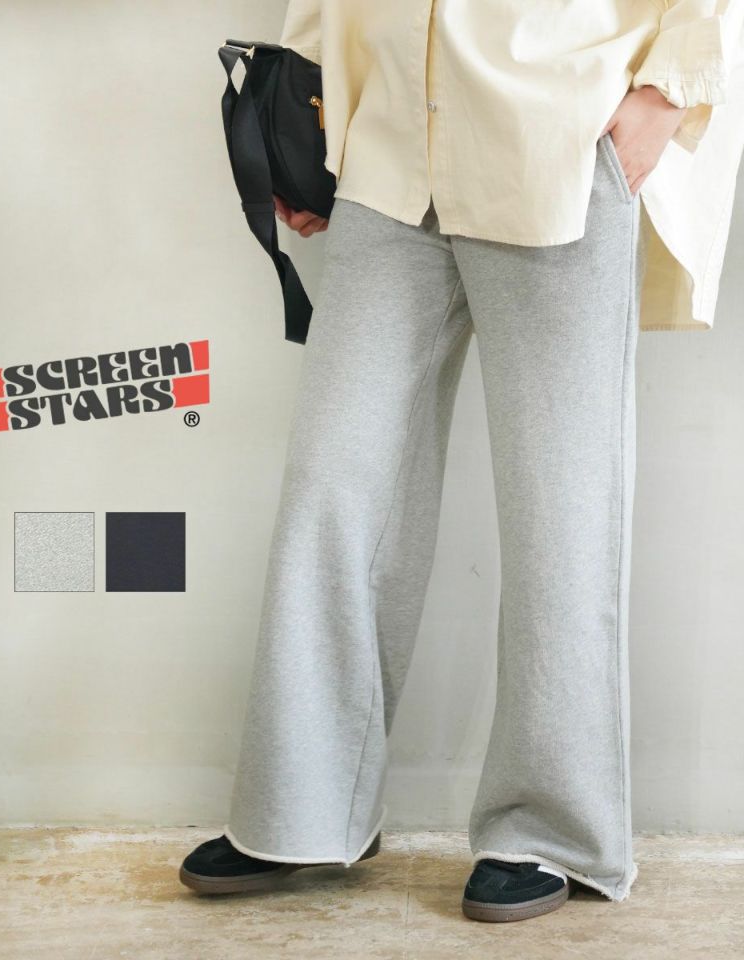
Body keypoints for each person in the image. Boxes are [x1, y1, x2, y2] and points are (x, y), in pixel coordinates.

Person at [180, 0, 743, 922]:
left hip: (556, 140)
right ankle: (304, 808)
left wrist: (664, 95)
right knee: (335, 487)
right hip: (390, 151)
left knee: (560, 505)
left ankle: (549, 830)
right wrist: (302, 111)